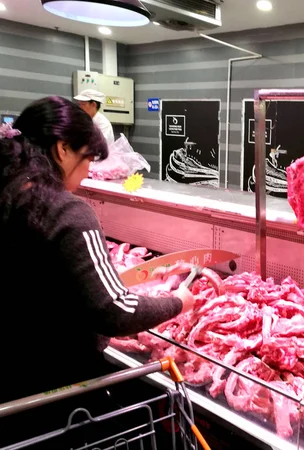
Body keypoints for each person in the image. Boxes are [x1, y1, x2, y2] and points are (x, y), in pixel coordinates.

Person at [0, 97, 194, 446]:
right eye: (87, 157)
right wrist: (177, 302)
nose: (89, 170)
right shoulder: (67, 212)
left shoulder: (9, 194)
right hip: (58, 390)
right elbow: (113, 310)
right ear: (62, 149)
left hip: (13, 379)